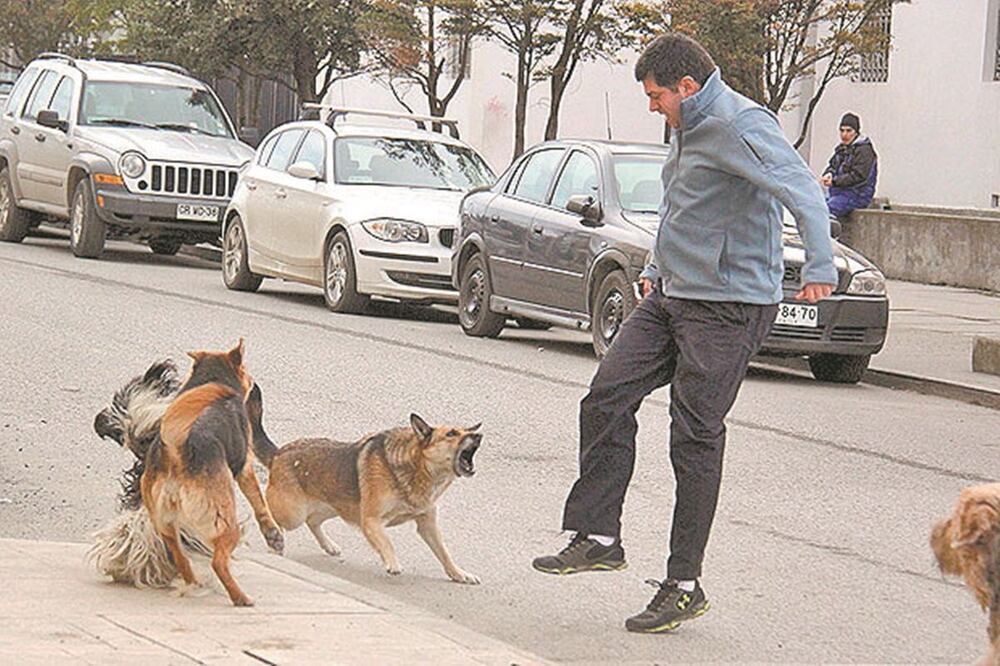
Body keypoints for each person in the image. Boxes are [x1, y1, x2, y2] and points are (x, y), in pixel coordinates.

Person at [531, 33, 838, 633]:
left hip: (728, 305)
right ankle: (598, 534)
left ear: (687, 88)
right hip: (672, 294)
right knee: (606, 395)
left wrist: (822, 265)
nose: (653, 107)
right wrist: (653, 268)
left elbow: (800, 187)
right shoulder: (688, 126)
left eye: (656, 97)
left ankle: (684, 583)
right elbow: (681, 208)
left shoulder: (741, 123)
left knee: (693, 435)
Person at [821, 112, 878, 218]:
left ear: (856, 132)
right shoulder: (841, 149)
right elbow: (833, 165)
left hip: (857, 194)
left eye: (848, 131)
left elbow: (858, 176)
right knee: (814, 206)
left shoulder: (864, 151)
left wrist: (834, 181)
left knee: (826, 210)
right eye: (842, 130)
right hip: (838, 192)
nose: (844, 135)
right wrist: (829, 173)